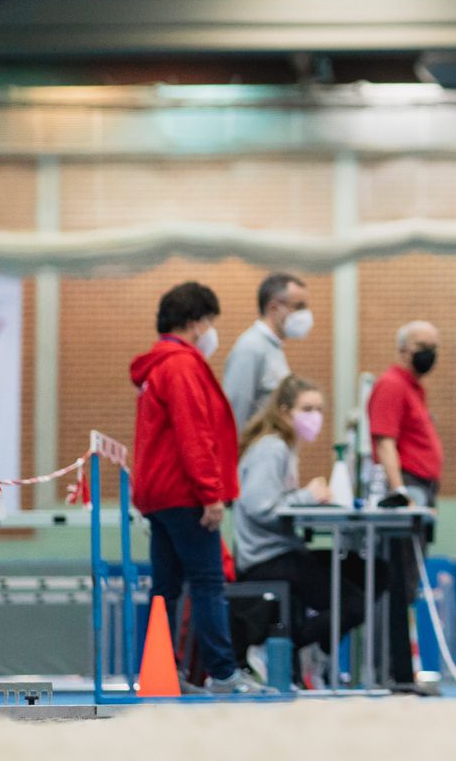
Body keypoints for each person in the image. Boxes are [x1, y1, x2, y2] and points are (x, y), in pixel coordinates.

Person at [130, 280, 272, 696]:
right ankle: (224, 673)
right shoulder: (181, 366)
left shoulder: (156, 368)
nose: (211, 332)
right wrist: (211, 494)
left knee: (165, 588)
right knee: (209, 582)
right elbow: (195, 435)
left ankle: (162, 673)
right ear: (196, 322)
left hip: (158, 495)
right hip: (184, 493)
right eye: (210, 322)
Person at [233, 374, 365, 688]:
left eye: (319, 409)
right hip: (267, 558)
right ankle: (282, 646)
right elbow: (259, 506)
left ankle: (304, 649)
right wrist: (308, 496)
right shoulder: (272, 448)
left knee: (367, 572)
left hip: (284, 550)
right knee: (356, 602)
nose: (315, 417)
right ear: (283, 411)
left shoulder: (285, 448)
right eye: (307, 408)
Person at [369, 320, 443, 692]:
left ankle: (399, 670)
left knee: (407, 584)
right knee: (397, 584)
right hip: (408, 492)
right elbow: (385, 442)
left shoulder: (414, 388)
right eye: (421, 344)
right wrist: (401, 493)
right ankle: (395, 673)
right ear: (402, 348)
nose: (429, 350)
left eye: (434, 344)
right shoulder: (392, 385)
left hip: (422, 490)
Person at [222, 273, 313, 428]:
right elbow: (234, 414)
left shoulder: (273, 348)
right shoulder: (251, 348)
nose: (305, 314)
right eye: (299, 307)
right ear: (273, 308)